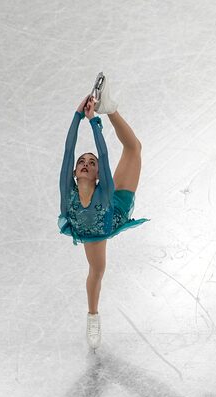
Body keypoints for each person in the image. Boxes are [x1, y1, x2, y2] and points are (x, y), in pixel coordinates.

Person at [57, 74, 149, 350]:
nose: (85, 163)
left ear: (99, 175)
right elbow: (68, 150)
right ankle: (93, 316)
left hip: (112, 208)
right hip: (95, 230)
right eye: (82, 162)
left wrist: (95, 121)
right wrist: (77, 117)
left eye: (91, 162)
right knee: (97, 270)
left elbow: (105, 155)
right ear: (75, 172)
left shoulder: (105, 187)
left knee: (134, 149)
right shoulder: (67, 191)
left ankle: (110, 108)